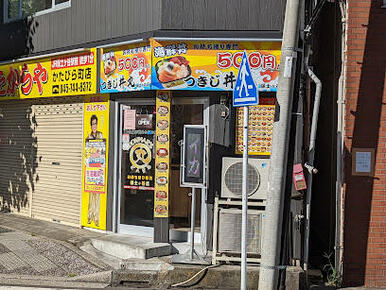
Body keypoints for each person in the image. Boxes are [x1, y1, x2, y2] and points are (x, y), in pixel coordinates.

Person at [86, 114, 103, 227]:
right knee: (91, 194)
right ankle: (89, 216)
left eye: (96, 123)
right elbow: (87, 152)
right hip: (91, 168)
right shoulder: (88, 136)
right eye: (92, 124)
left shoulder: (100, 134)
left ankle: (96, 218)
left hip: (99, 168)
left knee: (98, 195)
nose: (94, 126)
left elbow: (101, 149)